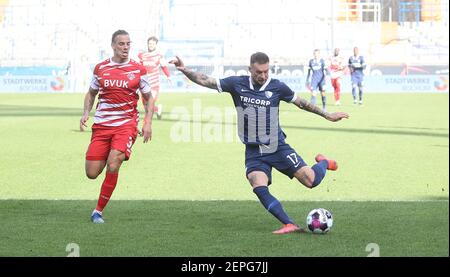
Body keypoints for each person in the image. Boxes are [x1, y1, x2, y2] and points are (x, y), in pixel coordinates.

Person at [170, 52, 349, 234]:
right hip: (254, 150)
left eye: (266, 71)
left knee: (311, 181)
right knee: (257, 184)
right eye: (258, 72)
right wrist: (184, 70)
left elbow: (301, 102)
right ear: (250, 69)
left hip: (277, 146)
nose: (263, 75)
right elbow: (205, 80)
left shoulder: (277, 87)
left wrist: (327, 115)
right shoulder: (236, 84)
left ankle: (324, 162)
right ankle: (289, 224)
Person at [80, 30, 154, 224]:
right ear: (113, 45)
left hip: (126, 125)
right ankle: (110, 152)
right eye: (121, 44)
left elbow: (148, 98)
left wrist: (147, 122)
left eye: (128, 43)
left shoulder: (138, 70)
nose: (125, 47)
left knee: (113, 163)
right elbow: (91, 93)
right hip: (102, 126)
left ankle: (98, 211)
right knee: (92, 173)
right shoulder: (101, 68)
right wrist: (86, 112)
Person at [138, 36, 171, 120]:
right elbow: (139, 68)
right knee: (146, 106)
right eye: (149, 43)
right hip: (144, 83)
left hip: (154, 84)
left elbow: (164, 67)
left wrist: (168, 76)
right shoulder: (142, 55)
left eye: (153, 44)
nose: (151, 45)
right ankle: (157, 109)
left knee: (150, 102)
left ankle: (148, 121)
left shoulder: (159, 56)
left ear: (156, 45)